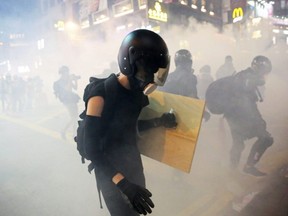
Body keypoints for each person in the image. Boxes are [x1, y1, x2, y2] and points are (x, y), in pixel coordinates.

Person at [82, 29, 177, 215]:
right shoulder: (100, 95)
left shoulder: (136, 95)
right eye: (148, 70)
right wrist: (123, 183)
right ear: (129, 62)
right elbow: (91, 149)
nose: (151, 78)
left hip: (132, 165)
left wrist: (159, 121)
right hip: (110, 173)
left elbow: (126, 130)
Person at [224, 55, 273, 177]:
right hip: (241, 115)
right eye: (264, 72)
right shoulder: (248, 78)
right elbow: (247, 103)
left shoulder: (242, 75)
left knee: (238, 143)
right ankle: (249, 166)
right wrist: (259, 121)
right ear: (259, 69)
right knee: (266, 138)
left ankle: (232, 170)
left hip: (232, 115)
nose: (265, 75)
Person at [159, 49, 210, 121]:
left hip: (166, 115)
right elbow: (191, 97)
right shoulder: (190, 77)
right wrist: (203, 112)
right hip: (182, 117)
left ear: (176, 62)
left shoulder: (168, 76)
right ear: (189, 63)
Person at [53, 65, 80, 139]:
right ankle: (65, 131)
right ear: (62, 73)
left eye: (67, 72)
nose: (67, 73)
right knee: (73, 117)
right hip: (67, 100)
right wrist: (70, 80)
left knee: (75, 117)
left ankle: (74, 133)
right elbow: (67, 89)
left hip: (72, 99)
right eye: (66, 72)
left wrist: (75, 80)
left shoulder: (67, 79)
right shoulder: (60, 82)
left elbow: (75, 88)